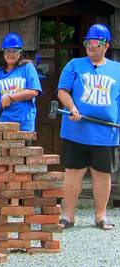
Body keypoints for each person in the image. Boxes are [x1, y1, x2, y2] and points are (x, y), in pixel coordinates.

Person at [57, 24, 118, 230]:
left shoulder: (118, 70)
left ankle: (101, 216)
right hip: (76, 131)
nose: (91, 46)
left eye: (96, 43)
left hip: (106, 134)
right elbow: (62, 91)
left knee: (102, 174)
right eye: (88, 42)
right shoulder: (74, 64)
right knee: (73, 172)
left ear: (106, 46)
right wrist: (72, 107)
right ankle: (67, 216)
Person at [0, 32, 42, 132]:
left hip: (23, 126)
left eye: (14, 51)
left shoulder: (28, 67)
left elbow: (34, 91)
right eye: (7, 51)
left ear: (20, 52)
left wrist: (11, 97)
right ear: (3, 52)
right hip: (1, 126)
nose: (11, 54)